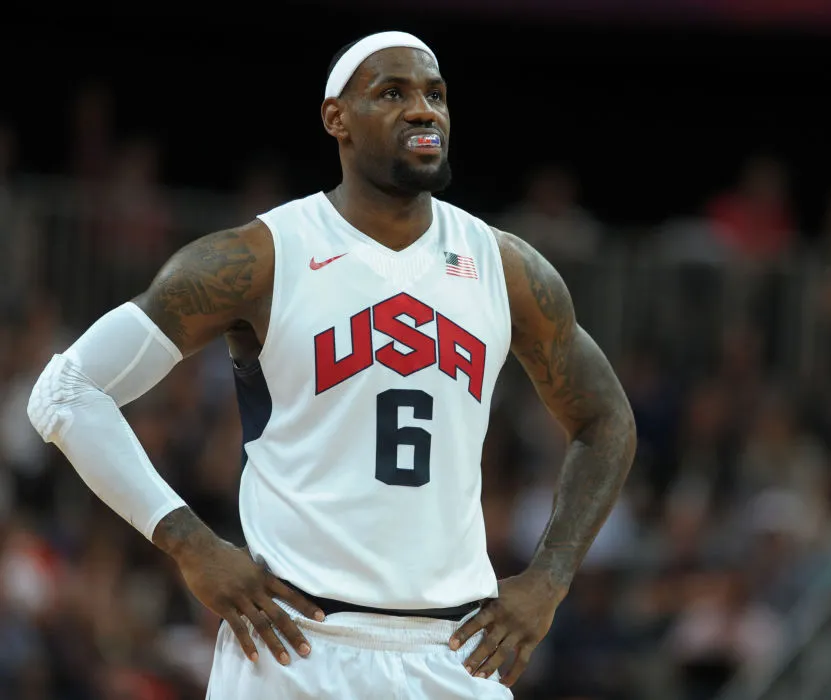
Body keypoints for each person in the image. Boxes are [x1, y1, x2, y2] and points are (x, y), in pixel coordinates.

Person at [26, 31, 636, 699]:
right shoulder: (261, 256)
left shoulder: (504, 265)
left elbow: (606, 419)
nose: (423, 110)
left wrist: (551, 577)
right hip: (292, 644)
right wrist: (189, 544)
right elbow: (66, 390)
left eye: (435, 95)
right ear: (336, 118)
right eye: (393, 93)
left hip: (453, 649)